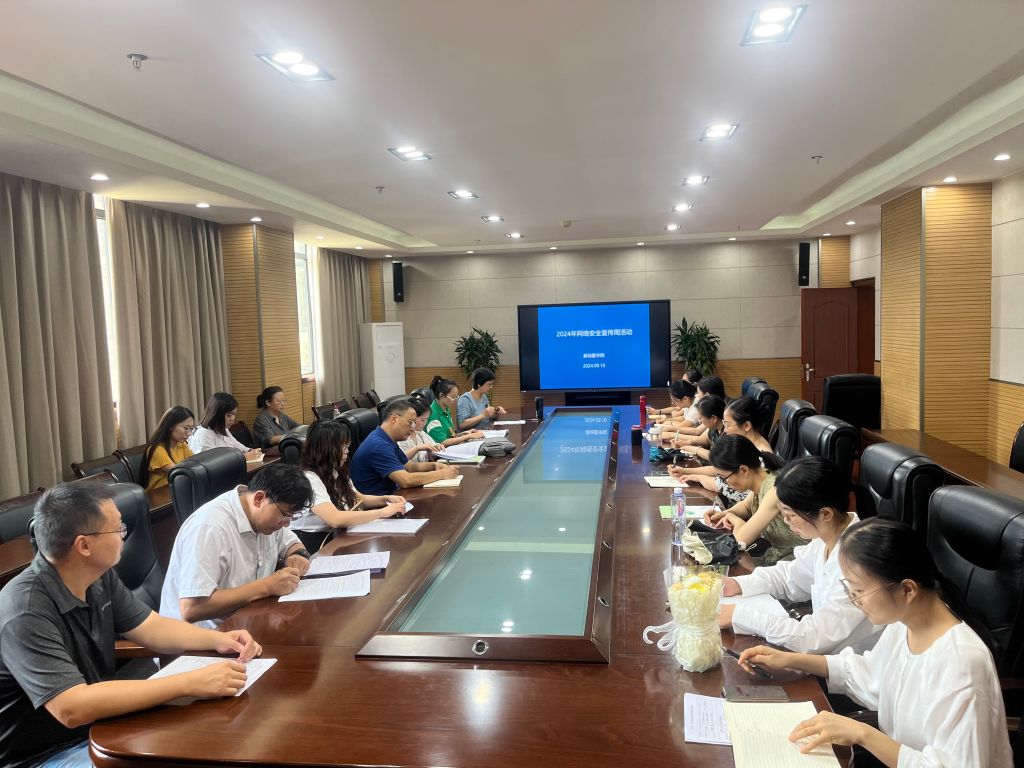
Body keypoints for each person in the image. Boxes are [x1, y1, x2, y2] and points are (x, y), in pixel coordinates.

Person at [0, 483, 262, 768]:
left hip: (101, 726)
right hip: (42, 756)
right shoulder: (24, 610)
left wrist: (218, 639)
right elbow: (71, 707)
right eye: (118, 529)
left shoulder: (98, 577)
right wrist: (191, 683)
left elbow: (151, 627)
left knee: (210, 737)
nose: (124, 535)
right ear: (84, 545)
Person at [738, 518, 1013, 767]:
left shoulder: (961, 662)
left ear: (907, 589)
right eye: (848, 587)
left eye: (858, 590)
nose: (853, 599)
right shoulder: (903, 624)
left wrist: (862, 734)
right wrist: (794, 660)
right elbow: (867, 675)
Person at [717, 456, 880, 654]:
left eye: (791, 515)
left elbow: (813, 637)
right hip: (822, 658)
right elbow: (789, 577)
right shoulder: (826, 538)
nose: (786, 521)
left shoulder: (861, 562)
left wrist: (740, 616)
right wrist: (738, 584)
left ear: (825, 514)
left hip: (848, 665)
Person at [159, 463, 314, 628]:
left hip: (248, 623)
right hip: (201, 635)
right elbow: (192, 608)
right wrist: (266, 586)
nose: (286, 524)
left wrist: (298, 555)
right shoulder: (210, 527)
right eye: (285, 515)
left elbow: (293, 545)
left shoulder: (266, 517)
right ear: (259, 499)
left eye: (291, 517)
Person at [292, 420, 409, 552]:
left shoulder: (334, 469)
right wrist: (382, 512)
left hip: (338, 534)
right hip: (315, 543)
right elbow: (334, 519)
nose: (347, 451)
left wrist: (386, 499)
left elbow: (358, 498)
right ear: (327, 449)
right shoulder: (309, 478)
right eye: (343, 447)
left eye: (347, 446)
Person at [690, 434, 803, 564]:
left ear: (743, 470)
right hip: (777, 556)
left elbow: (740, 540)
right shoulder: (763, 477)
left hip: (794, 561)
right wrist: (724, 514)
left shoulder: (774, 489)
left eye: (724, 478)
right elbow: (746, 506)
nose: (725, 483)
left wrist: (735, 520)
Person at [349, 398, 461, 496]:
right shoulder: (378, 445)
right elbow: (405, 480)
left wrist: (435, 465)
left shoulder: (387, 438)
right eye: (410, 422)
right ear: (394, 419)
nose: (412, 429)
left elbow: (410, 467)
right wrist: (442, 474)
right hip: (379, 505)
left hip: (394, 496)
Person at [189, 392, 262, 461]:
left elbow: (239, 447)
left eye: (234, 414)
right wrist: (245, 457)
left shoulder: (223, 429)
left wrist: (251, 451)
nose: (232, 419)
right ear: (216, 414)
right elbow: (211, 462)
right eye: (228, 415)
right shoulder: (203, 433)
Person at [139, 406, 195, 492]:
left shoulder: (182, 445)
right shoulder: (157, 450)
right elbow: (179, 473)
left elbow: (195, 463)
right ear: (171, 426)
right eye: (186, 428)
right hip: (159, 496)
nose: (189, 433)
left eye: (191, 429)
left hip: (177, 490)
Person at [424, 377, 485, 447]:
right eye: (453, 397)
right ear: (441, 395)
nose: (456, 400)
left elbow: (450, 436)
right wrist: (468, 436)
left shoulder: (446, 409)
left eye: (457, 396)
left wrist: (465, 434)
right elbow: (443, 442)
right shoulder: (432, 414)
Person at [398, 396, 444, 463]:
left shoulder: (420, 433)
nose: (425, 423)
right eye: (422, 420)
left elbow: (430, 452)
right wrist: (417, 448)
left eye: (427, 419)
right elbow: (400, 460)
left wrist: (436, 448)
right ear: (412, 417)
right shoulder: (400, 437)